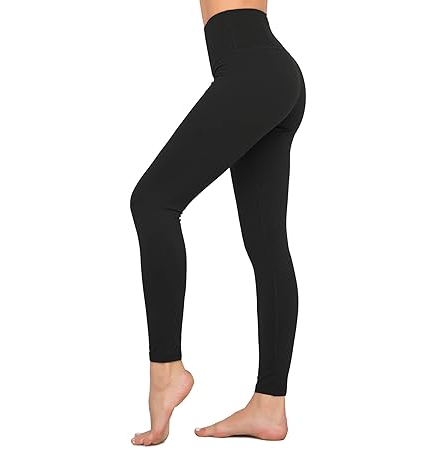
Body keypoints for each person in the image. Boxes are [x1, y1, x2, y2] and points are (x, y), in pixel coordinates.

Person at [130, 0, 306, 445]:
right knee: (267, 244)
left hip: (253, 72)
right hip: (267, 72)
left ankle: (166, 370)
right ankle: (269, 406)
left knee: (153, 202)